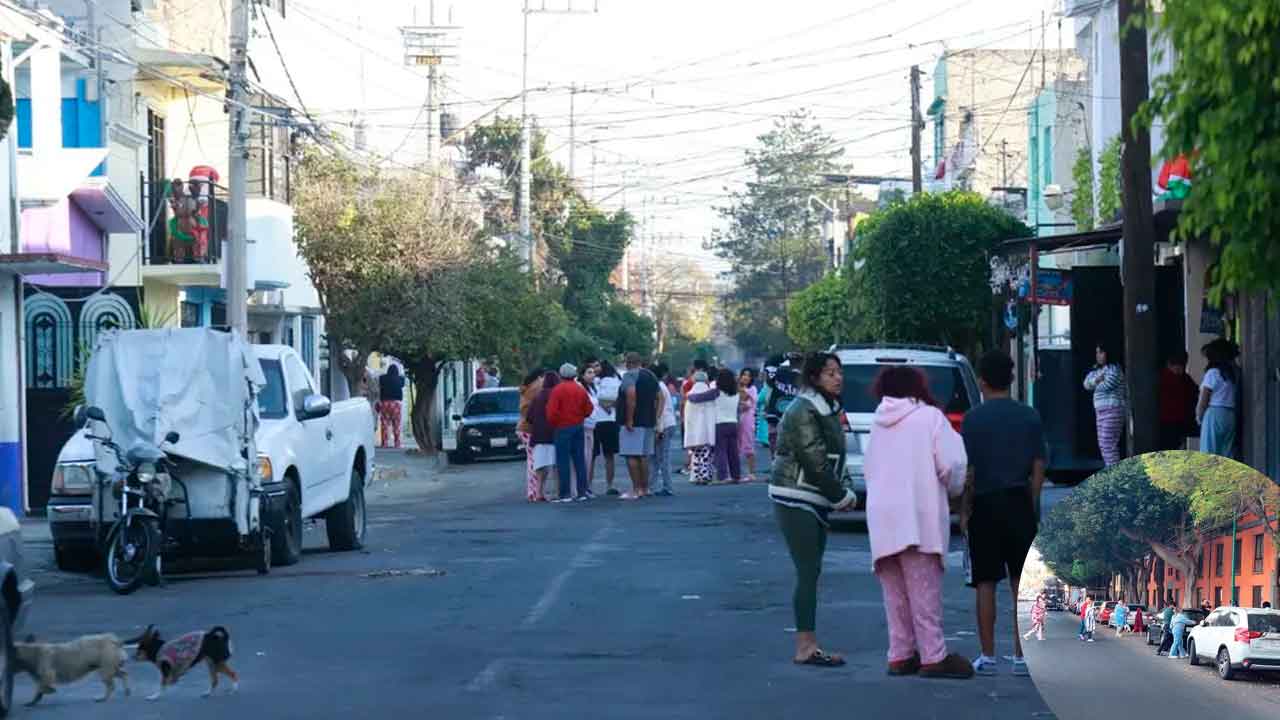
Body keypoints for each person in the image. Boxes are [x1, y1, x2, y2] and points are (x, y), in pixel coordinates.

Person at [864, 364, 973, 679]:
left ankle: (900, 654)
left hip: (882, 517)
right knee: (924, 591)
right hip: (918, 514)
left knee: (894, 594)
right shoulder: (930, 418)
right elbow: (953, 464)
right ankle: (933, 656)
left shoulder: (877, 422)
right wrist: (954, 491)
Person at [768, 352, 857, 668]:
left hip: (813, 496)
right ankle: (805, 646)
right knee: (807, 571)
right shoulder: (802, 409)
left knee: (812, 570)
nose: (838, 377)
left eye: (839, 372)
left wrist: (844, 489)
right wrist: (841, 496)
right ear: (815, 377)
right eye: (830, 373)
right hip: (795, 494)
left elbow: (837, 456)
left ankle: (808, 643)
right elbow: (814, 459)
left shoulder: (828, 407)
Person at [961, 350, 1044, 678]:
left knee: (985, 582)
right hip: (1019, 502)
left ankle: (988, 656)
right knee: (1020, 584)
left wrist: (964, 510)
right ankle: (1023, 658)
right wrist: (1031, 502)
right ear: (1011, 379)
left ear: (982, 381)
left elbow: (968, 471)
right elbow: (1038, 466)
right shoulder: (1029, 416)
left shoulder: (972, 419)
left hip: (984, 504)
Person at [618, 353, 663, 500]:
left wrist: (629, 419)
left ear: (628, 363)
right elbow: (660, 397)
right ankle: (645, 488)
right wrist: (656, 416)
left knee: (631, 454)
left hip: (634, 422)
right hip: (648, 420)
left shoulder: (629, 376)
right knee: (644, 456)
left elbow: (631, 395)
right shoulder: (650, 375)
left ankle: (636, 489)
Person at [547, 363, 595, 503]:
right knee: (579, 460)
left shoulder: (557, 390)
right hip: (578, 426)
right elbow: (589, 409)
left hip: (562, 428)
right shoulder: (580, 389)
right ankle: (582, 492)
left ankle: (565, 493)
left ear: (561, 375)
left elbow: (551, 412)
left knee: (563, 461)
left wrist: (556, 423)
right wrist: (580, 416)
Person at [687, 369, 744, 484]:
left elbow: (697, 398)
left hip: (720, 424)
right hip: (733, 424)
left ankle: (723, 477)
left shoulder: (716, 392)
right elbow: (738, 410)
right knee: (733, 452)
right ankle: (736, 476)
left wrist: (689, 395)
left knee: (721, 451)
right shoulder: (737, 393)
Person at [1083, 342, 1127, 467]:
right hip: (1101, 411)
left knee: (1108, 444)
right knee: (1103, 444)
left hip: (1113, 409)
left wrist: (1094, 384)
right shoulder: (1097, 370)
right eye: (1097, 352)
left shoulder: (1114, 369)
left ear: (1108, 353)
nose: (1098, 355)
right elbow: (1086, 384)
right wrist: (1097, 380)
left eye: (1101, 352)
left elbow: (1107, 386)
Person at [1197, 338, 1238, 458]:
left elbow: (1204, 398)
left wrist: (1200, 416)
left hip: (1214, 414)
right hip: (1230, 414)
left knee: (1209, 453)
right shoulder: (1232, 374)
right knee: (1227, 454)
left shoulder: (1212, 373)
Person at [590, 361, 622, 495]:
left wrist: (603, 404)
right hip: (610, 421)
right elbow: (620, 398)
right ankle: (610, 485)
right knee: (609, 456)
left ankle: (588, 486)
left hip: (595, 421)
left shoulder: (593, 382)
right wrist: (609, 405)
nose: (595, 369)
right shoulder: (616, 381)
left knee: (592, 456)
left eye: (597, 366)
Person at [528, 372, 561, 501]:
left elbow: (529, 417)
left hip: (538, 435)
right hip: (554, 434)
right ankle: (557, 492)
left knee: (541, 466)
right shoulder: (557, 394)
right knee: (556, 465)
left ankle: (539, 492)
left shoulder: (537, 396)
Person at [1158, 349, 1200, 451]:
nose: (1180, 370)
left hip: (1173, 421)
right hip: (1172, 421)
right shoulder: (1178, 378)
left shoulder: (1164, 377)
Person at [518, 369, 547, 502]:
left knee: (532, 460)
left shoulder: (528, 388)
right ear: (540, 377)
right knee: (534, 462)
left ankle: (533, 491)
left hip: (524, 427)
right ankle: (533, 492)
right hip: (528, 428)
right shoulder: (536, 388)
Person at [683, 371, 717, 485]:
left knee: (696, 454)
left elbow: (688, 416)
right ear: (706, 380)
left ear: (694, 380)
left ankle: (696, 476)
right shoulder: (710, 394)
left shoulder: (690, 395)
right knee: (706, 454)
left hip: (694, 432)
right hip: (707, 430)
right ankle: (705, 475)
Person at [651, 363, 678, 497]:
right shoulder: (662, 386)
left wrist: (658, 429)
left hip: (664, 425)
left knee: (661, 458)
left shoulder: (657, 387)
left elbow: (659, 410)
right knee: (657, 457)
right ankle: (653, 486)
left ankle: (667, 487)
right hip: (668, 423)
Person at [578, 363, 599, 491]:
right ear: (582, 375)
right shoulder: (580, 387)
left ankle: (586, 486)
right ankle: (582, 487)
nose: (592, 375)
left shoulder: (592, 387)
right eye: (589, 372)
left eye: (593, 372)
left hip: (592, 426)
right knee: (584, 458)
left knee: (589, 458)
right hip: (583, 426)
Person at [738, 368, 759, 482]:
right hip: (737, 420)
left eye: (748, 375)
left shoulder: (752, 389)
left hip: (748, 420)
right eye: (744, 374)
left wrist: (740, 391)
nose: (746, 377)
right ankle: (737, 473)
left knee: (748, 447)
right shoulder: (737, 388)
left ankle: (751, 473)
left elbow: (747, 404)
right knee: (737, 447)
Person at [378, 364, 405, 450]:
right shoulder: (401, 379)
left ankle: (384, 443)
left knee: (384, 424)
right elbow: (402, 385)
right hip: (396, 403)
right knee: (396, 424)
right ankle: (397, 443)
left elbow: (380, 384)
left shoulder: (382, 378)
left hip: (385, 403)